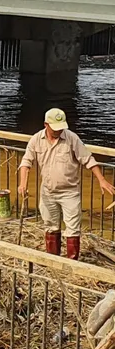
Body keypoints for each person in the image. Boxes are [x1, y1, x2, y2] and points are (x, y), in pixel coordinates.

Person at [17, 108, 115, 260]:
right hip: (48, 191)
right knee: (51, 225)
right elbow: (26, 162)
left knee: (73, 228)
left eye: (61, 128)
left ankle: (71, 262)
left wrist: (101, 179)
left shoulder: (72, 138)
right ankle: (53, 259)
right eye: (55, 128)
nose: (58, 131)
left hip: (70, 192)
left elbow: (88, 159)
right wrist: (23, 183)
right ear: (46, 125)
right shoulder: (36, 140)